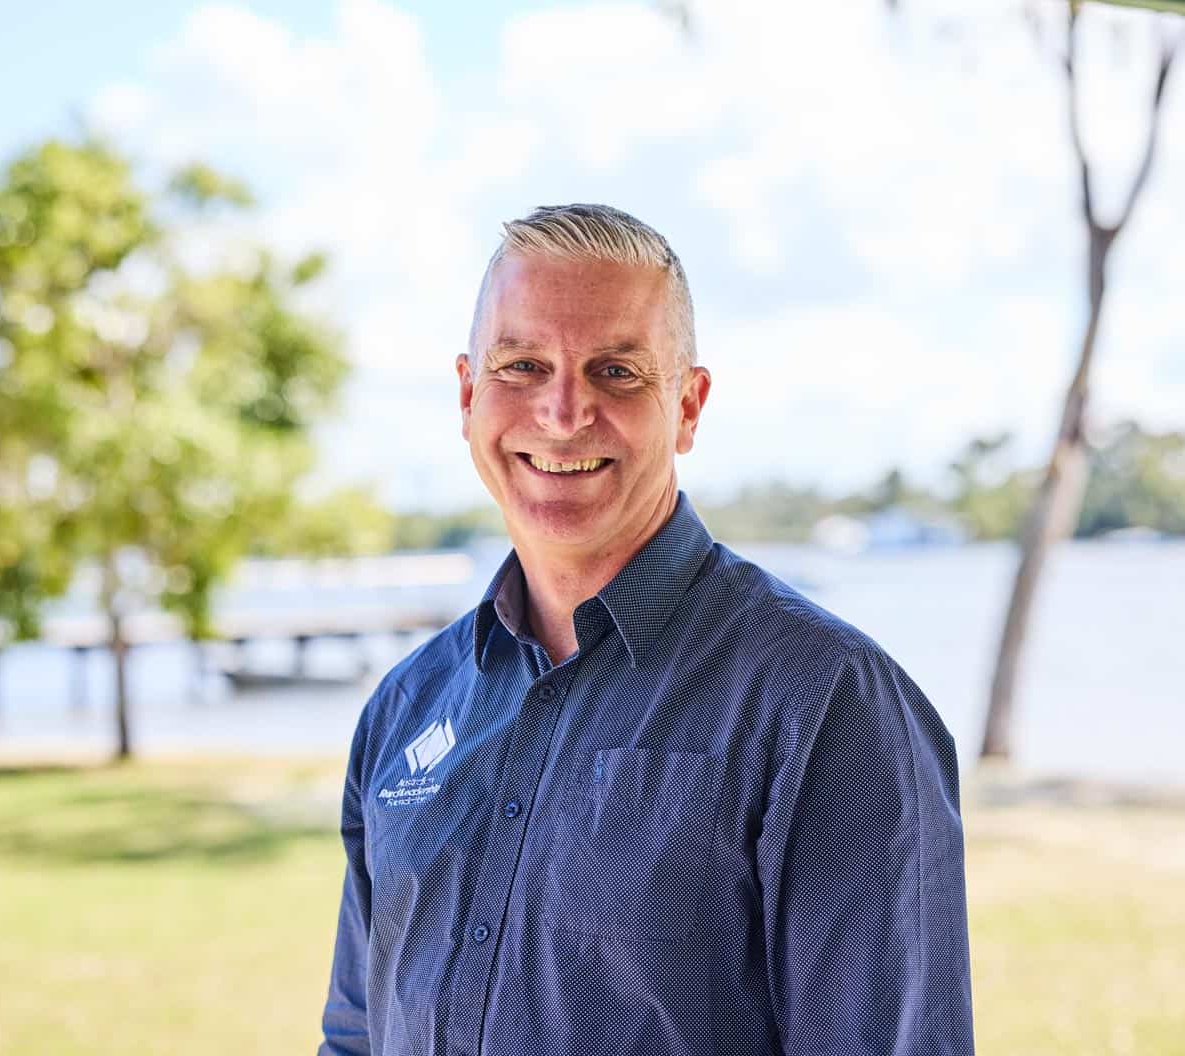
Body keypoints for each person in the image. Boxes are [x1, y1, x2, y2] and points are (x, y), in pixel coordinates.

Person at [318, 204, 974, 1055]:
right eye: (521, 365)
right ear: (468, 393)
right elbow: (359, 1035)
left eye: (616, 372)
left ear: (689, 405)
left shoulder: (823, 701)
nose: (561, 412)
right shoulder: (408, 706)